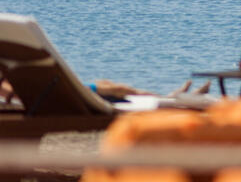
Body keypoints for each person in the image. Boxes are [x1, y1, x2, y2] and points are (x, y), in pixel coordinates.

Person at [0, 77, 210, 106]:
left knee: (106, 83)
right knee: (119, 89)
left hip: (56, 91)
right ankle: (171, 99)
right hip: (58, 95)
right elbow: (13, 95)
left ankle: (170, 96)